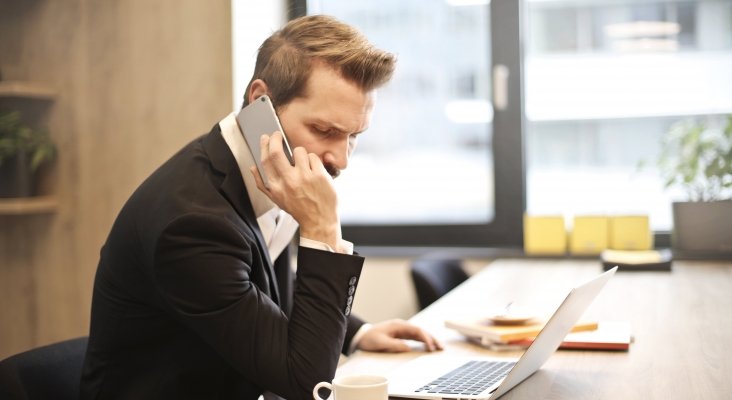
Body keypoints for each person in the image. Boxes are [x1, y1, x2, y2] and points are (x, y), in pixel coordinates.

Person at [80, 14, 441, 400]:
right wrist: (322, 229)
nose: (341, 159)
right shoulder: (191, 224)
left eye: (354, 136)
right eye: (325, 131)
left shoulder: (268, 169)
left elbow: (265, 291)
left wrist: (358, 334)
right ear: (260, 101)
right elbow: (306, 384)